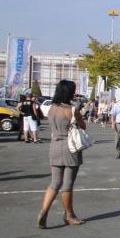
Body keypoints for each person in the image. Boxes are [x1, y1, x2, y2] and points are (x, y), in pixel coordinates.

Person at [37, 80, 86, 228]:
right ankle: (69, 215)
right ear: (69, 93)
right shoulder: (70, 109)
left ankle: (44, 211)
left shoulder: (51, 108)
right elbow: (83, 126)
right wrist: (77, 111)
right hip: (69, 147)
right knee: (67, 184)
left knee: (54, 182)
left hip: (54, 146)